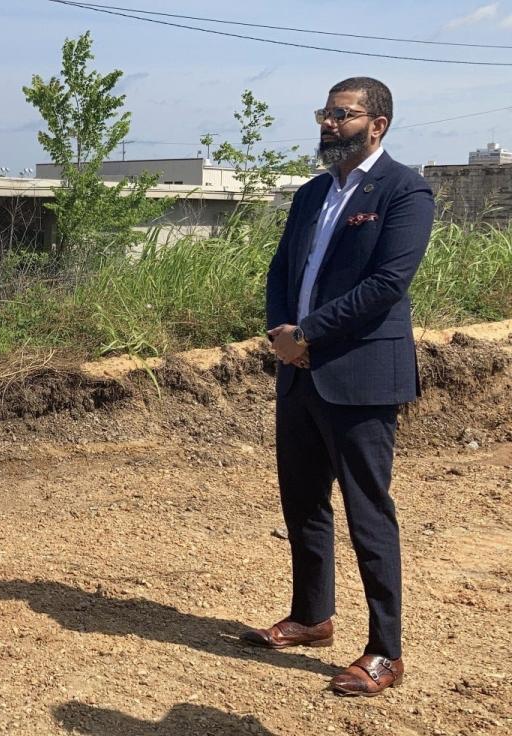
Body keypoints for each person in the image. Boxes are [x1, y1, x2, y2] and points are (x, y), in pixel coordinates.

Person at [241, 77, 434, 697]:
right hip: (299, 371)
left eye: (341, 114)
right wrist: (280, 332)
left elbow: (386, 284)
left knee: (367, 511)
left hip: (360, 373)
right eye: (325, 112)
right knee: (301, 500)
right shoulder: (312, 193)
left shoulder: (405, 190)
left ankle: (385, 651)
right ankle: (312, 615)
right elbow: (281, 269)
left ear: (376, 124)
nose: (328, 123)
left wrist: (309, 334)